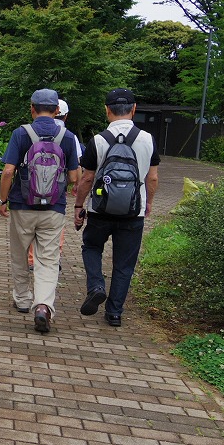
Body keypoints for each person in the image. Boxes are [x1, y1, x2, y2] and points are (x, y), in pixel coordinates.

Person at [73, 88, 159, 327]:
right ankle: (114, 313)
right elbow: (152, 177)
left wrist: (79, 206)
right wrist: (148, 203)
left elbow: (87, 178)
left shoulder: (98, 140)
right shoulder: (148, 139)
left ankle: (96, 286)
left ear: (107, 110)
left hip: (100, 209)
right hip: (133, 211)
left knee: (91, 247)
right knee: (124, 264)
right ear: (134, 109)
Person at [0, 89, 80, 333]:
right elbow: (74, 177)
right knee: (48, 259)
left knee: (19, 254)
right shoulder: (67, 137)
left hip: (22, 205)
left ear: (32, 108)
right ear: (57, 110)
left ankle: (23, 299)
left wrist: (3, 200)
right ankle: (43, 305)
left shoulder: (21, 133)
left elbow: (8, 171)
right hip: (54, 208)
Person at [27, 98, 82, 269]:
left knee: (31, 224)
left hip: (31, 190)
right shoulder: (69, 136)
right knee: (55, 227)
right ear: (64, 115)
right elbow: (75, 169)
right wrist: (74, 185)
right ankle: (53, 258)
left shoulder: (29, 131)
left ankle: (31, 259)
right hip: (56, 192)